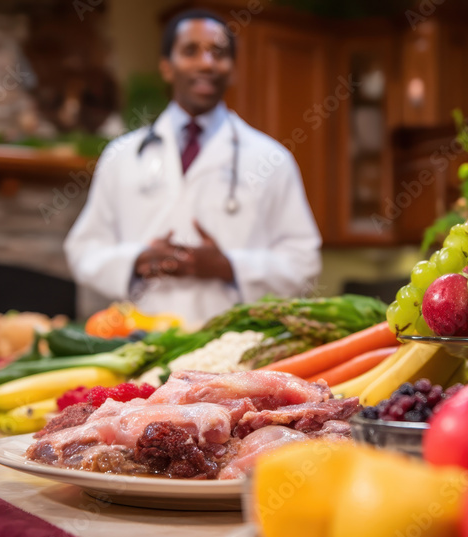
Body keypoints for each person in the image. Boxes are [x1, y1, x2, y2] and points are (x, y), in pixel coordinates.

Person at [65, 9, 322, 326]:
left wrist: (229, 266)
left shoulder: (272, 159)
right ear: (166, 67)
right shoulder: (121, 156)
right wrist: (137, 261)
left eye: (219, 53)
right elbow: (84, 249)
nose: (206, 63)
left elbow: (304, 262)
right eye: (190, 51)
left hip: (232, 342)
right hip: (141, 338)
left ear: (233, 70)